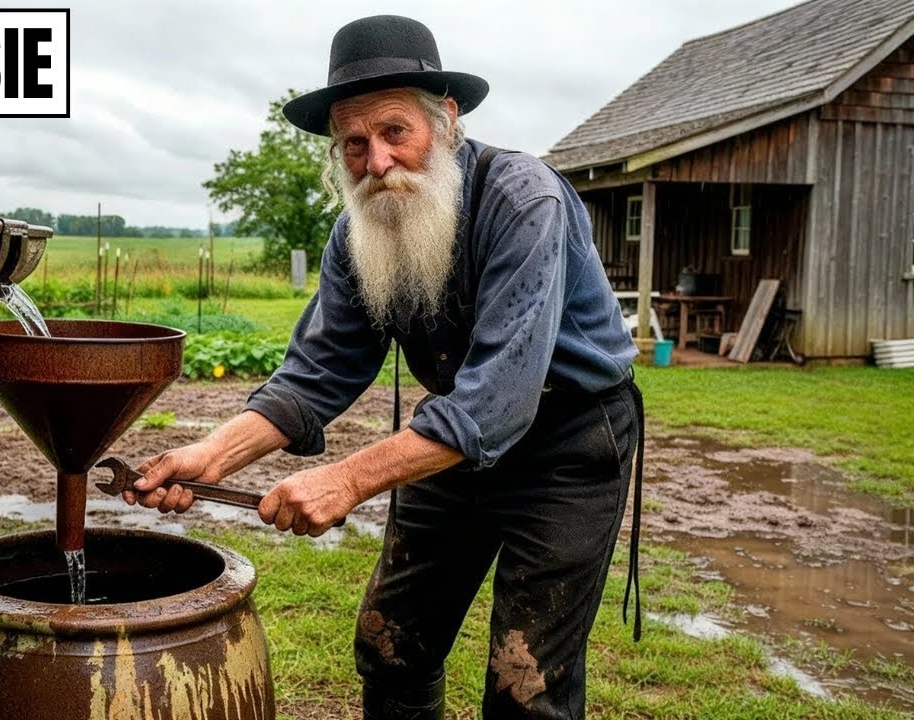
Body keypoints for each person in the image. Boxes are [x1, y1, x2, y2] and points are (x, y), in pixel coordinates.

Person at [123, 14, 643, 720]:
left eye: (395, 132)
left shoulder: (526, 199)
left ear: (447, 121)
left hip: (567, 444)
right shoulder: (355, 231)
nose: (376, 163)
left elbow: (497, 405)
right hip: (447, 444)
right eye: (355, 144)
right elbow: (320, 369)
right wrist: (211, 455)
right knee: (391, 644)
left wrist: (346, 479)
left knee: (527, 683)